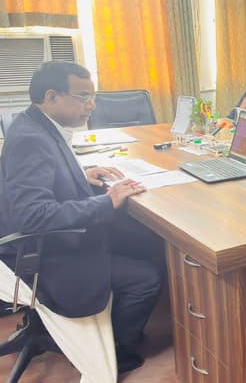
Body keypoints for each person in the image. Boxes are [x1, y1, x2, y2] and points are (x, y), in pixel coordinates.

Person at [0, 61, 162, 378]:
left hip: (38, 242)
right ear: (51, 96)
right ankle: (117, 350)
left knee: (143, 240)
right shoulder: (31, 139)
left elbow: (39, 181)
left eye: (93, 97)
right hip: (42, 257)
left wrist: (81, 175)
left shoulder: (34, 123)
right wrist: (106, 200)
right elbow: (34, 215)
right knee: (147, 276)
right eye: (83, 97)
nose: (91, 106)